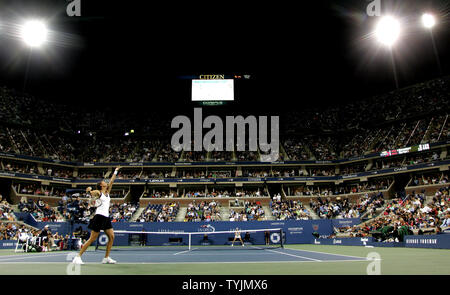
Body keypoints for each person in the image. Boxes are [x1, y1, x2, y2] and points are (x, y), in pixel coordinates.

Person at [72, 167, 121, 264]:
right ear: (101, 186)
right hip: (99, 217)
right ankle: (77, 257)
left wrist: (116, 171)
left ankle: (106, 258)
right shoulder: (99, 192)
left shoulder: (107, 192)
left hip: (106, 218)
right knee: (92, 238)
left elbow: (111, 181)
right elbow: (94, 192)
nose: (105, 182)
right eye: (103, 182)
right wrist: (89, 191)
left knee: (111, 237)